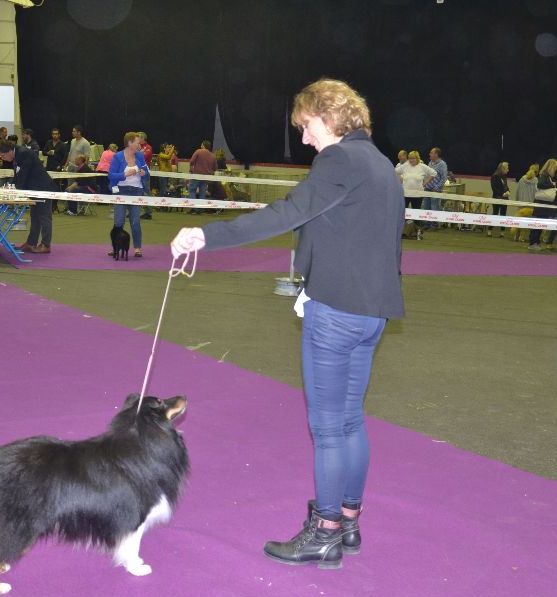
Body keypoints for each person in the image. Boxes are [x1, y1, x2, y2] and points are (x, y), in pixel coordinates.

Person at [170, 78, 404, 569]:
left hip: (336, 313)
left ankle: (324, 531)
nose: (304, 138)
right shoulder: (382, 165)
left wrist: (205, 236)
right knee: (350, 421)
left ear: (332, 116)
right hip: (372, 314)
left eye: (307, 125)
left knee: (327, 431)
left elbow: (286, 213)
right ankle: (349, 521)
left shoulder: (339, 160)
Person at [0, 139, 55, 253]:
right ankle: (31, 243)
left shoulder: (23, 153)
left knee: (44, 217)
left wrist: (14, 190)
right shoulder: (17, 154)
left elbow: (23, 175)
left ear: (9, 151)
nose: (2, 159)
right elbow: (17, 175)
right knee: (35, 217)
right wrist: (9, 186)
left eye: (3, 156)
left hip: (42, 188)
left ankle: (46, 245)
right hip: (33, 189)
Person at [108, 131, 150, 257]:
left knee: (135, 222)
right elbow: (111, 175)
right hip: (121, 191)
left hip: (136, 191)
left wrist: (144, 172)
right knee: (119, 222)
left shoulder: (140, 156)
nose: (140, 144)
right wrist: (124, 174)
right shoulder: (118, 157)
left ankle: (137, 248)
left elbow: (147, 172)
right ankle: (115, 247)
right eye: (138, 142)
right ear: (130, 143)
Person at [396, 150, 435, 240]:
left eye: (413, 158)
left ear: (417, 158)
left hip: (418, 194)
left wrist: (425, 183)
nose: (411, 160)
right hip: (405, 193)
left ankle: (418, 232)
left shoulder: (422, 166)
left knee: (416, 213)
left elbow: (433, 173)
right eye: (409, 158)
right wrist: (401, 179)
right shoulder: (405, 165)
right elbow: (395, 171)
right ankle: (403, 232)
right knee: (403, 213)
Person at [528, 158, 557, 251]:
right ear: (551, 167)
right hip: (541, 205)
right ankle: (533, 243)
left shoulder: (547, 176)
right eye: (556, 167)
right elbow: (540, 185)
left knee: (540, 225)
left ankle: (536, 242)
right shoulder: (544, 175)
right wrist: (552, 186)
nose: (556, 169)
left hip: (543, 205)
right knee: (538, 225)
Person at [187, 140, 217, 213]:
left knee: (192, 190)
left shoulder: (198, 151)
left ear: (203, 145)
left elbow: (191, 161)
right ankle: (200, 209)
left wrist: (191, 169)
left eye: (201, 145)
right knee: (202, 193)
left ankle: (193, 208)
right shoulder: (213, 155)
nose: (200, 146)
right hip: (206, 177)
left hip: (197, 175)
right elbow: (215, 168)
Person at [423, 146, 448, 229]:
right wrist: (425, 184)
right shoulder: (430, 163)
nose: (429, 154)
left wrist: (437, 187)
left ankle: (435, 225)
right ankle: (426, 224)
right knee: (426, 207)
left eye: (431, 153)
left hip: (435, 190)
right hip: (427, 188)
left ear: (436, 154)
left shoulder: (442, 164)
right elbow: (427, 174)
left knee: (434, 207)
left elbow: (444, 178)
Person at [489, 161, 510, 237]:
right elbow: (494, 188)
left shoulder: (504, 176)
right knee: (495, 213)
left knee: (503, 215)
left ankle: (502, 232)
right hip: (497, 198)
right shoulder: (494, 176)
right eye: (507, 168)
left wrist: (508, 191)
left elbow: (506, 186)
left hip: (505, 199)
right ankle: (489, 230)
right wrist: (502, 194)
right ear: (502, 168)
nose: (508, 170)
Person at [139, 131, 154, 220]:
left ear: (143, 138)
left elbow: (142, 157)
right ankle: (134, 211)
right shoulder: (137, 147)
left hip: (144, 173)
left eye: (138, 137)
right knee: (135, 192)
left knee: (146, 192)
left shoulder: (148, 148)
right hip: (136, 172)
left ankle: (148, 213)